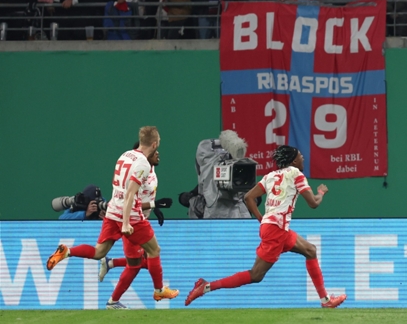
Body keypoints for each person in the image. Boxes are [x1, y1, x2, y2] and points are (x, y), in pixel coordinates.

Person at [184, 145, 347, 308]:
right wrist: (321, 193)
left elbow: (248, 197)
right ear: (294, 160)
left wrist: (262, 219)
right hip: (276, 230)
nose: (303, 158)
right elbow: (313, 203)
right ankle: (205, 286)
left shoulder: (270, 176)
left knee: (310, 250)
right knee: (255, 275)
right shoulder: (296, 174)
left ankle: (325, 300)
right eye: (300, 155)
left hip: (275, 227)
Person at [46, 126, 179, 309]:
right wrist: (126, 223)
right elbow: (130, 193)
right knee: (154, 250)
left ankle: (68, 251)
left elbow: (117, 184)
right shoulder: (143, 163)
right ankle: (158, 290)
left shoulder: (125, 155)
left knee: (99, 252)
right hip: (130, 216)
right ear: (154, 144)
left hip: (112, 211)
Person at [98, 143, 172, 282]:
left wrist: (154, 208)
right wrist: (153, 204)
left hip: (140, 218)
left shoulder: (151, 169)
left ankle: (110, 263)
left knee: (144, 261)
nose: (157, 153)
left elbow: (146, 194)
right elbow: (131, 199)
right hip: (132, 220)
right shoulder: (139, 170)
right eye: (153, 150)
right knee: (140, 262)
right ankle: (112, 301)